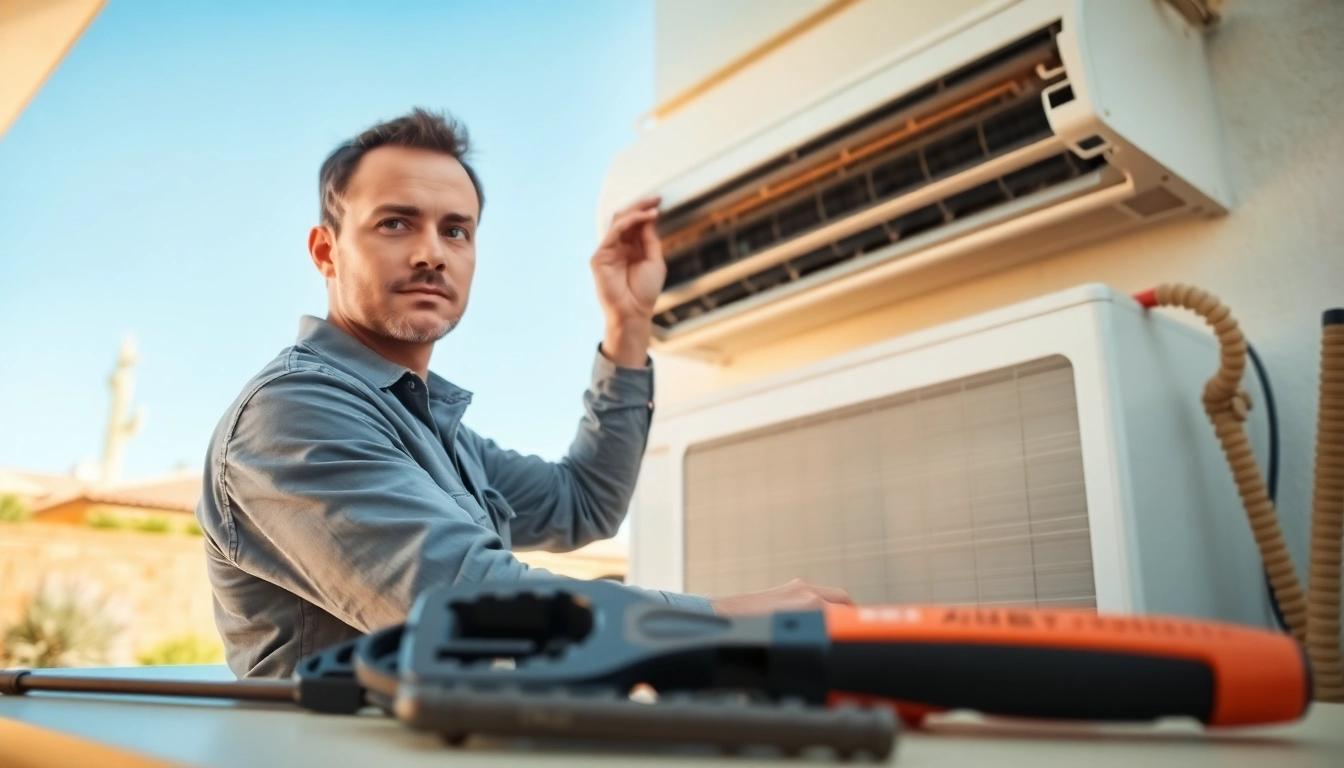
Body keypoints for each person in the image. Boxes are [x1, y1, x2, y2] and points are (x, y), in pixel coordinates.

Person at [196, 108, 853, 678]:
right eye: (396, 224)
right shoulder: (292, 416)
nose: (432, 253)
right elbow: (469, 609)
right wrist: (728, 619)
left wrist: (626, 324)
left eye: (456, 230)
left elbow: (583, 504)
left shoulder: (433, 430)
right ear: (326, 251)